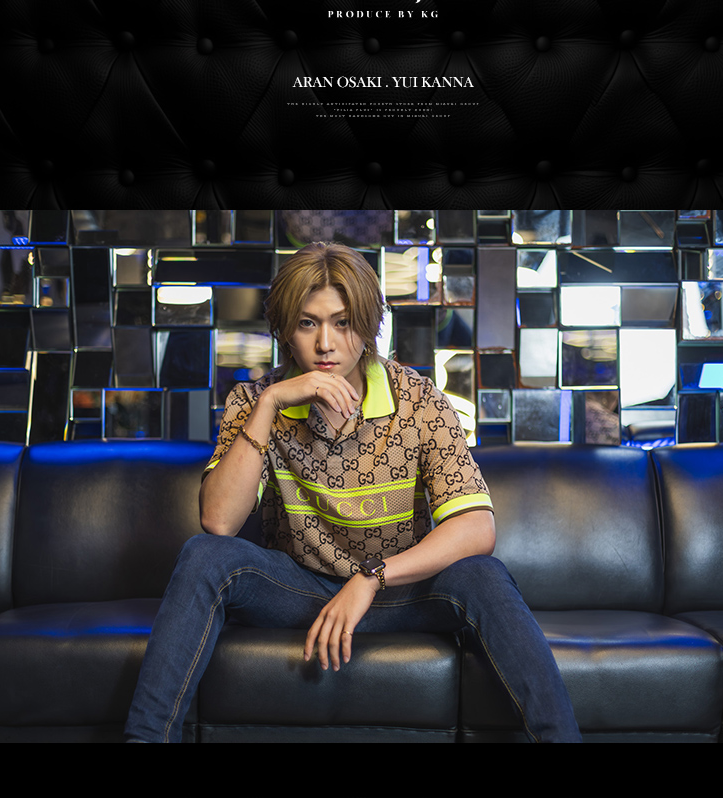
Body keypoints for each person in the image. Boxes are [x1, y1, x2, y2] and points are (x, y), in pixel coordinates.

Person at [124, 241, 581, 743]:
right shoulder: (254, 400)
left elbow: (477, 527)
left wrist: (371, 578)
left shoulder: (418, 399)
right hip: (302, 590)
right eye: (307, 323)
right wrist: (270, 404)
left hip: (401, 591)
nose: (326, 344)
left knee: (484, 575)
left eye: (342, 323)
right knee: (204, 555)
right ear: (284, 330)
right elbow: (218, 521)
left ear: (366, 326)